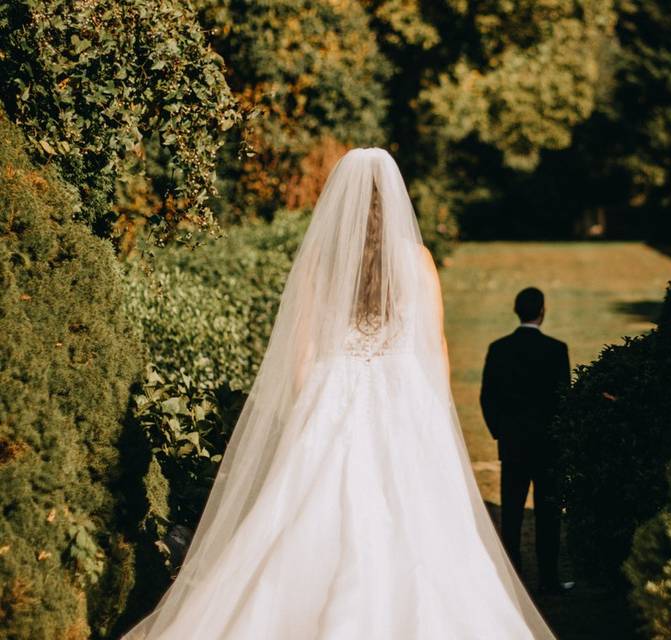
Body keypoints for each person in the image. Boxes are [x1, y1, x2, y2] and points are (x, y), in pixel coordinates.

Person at [122, 149, 555, 639]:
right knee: (421, 525)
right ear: (393, 203)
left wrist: (311, 416)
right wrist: (433, 419)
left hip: (335, 395)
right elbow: (435, 347)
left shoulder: (320, 264)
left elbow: (303, 356)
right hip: (403, 397)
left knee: (309, 517)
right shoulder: (418, 260)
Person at [480, 288, 572, 595]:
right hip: (547, 445)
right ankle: (548, 578)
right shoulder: (557, 350)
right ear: (541, 311)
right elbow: (563, 399)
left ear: (516, 310)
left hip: (513, 443)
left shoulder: (499, 348)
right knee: (548, 514)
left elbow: (486, 398)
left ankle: (512, 575)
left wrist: (500, 431)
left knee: (512, 513)